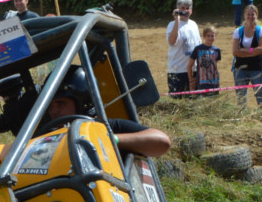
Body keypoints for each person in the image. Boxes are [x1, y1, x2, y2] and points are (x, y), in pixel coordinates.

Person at [39, 66, 172, 158]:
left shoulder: (107, 127)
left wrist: (109, 138)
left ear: (84, 103)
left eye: (61, 104)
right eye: (49, 106)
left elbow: (162, 141)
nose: (53, 111)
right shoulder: (45, 137)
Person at [165, 0, 201, 98]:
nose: (185, 11)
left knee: (193, 102)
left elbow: (199, 46)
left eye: (187, 8)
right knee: (177, 103)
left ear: (191, 10)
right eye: (182, 8)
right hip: (177, 71)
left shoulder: (194, 25)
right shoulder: (171, 25)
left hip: (193, 71)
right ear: (177, 9)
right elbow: (172, 42)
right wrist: (177, 21)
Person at [232, 5, 262, 107]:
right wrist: (253, 52)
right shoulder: (238, 31)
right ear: (244, 15)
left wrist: (244, 51)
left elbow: (261, 50)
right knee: (241, 98)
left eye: (253, 14)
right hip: (240, 69)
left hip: (258, 69)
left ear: (256, 15)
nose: (251, 16)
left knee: (261, 97)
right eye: (248, 14)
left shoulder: (261, 30)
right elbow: (235, 52)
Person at [187, 25, 221, 97]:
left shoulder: (217, 50)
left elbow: (214, 65)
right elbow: (190, 66)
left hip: (214, 81)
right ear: (204, 36)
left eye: (212, 36)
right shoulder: (198, 49)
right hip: (202, 82)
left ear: (215, 36)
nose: (210, 38)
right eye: (208, 36)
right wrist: (191, 80)